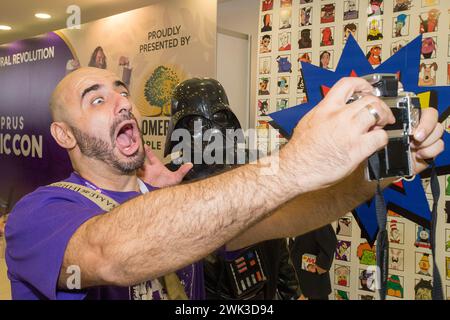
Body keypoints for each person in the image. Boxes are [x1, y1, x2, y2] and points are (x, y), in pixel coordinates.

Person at [5, 67, 443, 300]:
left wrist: (374, 175)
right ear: (64, 135)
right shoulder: (38, 213)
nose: (122, 102)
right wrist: (294, 163)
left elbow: (283, 218)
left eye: (122, 92)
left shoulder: (171, 199)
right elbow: (109, 255)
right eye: (97, 99)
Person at [164, 78, 300, 300]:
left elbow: (276, 240)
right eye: (194, 123)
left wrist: (292, 292)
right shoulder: (170, 180)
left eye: (217, 119)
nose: (208, 131)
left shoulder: (251, 169)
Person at [288, 225, 337, 300]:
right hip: (297, 283)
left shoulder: (317, 218)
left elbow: (330, 243)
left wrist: (319, 267)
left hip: (316, 284)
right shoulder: (292, 221)